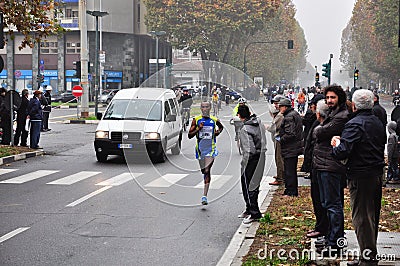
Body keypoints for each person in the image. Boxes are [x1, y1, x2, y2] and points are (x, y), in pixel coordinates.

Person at [332, 89, 386, 266]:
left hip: (360, 175)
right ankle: (368, 253)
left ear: (354, 105)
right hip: (376, 173)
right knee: (372, 216)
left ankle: (367, 259)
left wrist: (337, 144)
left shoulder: (354, 124)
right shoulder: (377, 122)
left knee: (361, 218)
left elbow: (342, 152)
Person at [313, 85, 349, 255]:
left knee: (333, 205)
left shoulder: (341, 116)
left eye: (332, 98)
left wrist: (318, 129)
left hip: (330, 165)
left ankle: (335, 242)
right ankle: (330, 237)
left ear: (339, 98)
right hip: (323, 164)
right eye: (327, 98)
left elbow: (320, 133)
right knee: (327, 203)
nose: (329, 101)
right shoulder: (333, 114)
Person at [188, 101, 224, 205]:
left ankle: (204, 196)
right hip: (200, 150)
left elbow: (221, 127)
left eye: (207, 107)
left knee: (207, 170)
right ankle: (204, 175)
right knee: (203, 170)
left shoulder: (214, 120)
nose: (205, 109)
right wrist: (198, 129)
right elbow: (190, 135)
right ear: (200, 108)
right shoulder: (196, 120)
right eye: (203, 107)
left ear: (210, 108)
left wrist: (217, 132)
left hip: (211, 149)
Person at [237, 104, 267, 224]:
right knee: (254, 184)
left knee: (248, 185)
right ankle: (249, 209)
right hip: (262, 155)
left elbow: (249, 150)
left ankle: (254, 212)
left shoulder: (245, 129)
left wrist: (244, 163)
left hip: (252, 159)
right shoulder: (258, 122)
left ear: (240, 116)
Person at [305, 99, 329, 240]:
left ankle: (322, 228)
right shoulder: (320, 124)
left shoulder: (324, 127)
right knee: (319, 199)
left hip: (321, 166)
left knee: (322, 200)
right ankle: (321, 226)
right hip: (317, 165)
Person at [277, 98, 303, 197]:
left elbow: (290, 133)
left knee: (289, 171)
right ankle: (290, 190)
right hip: (294, 147)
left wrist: (280, 139)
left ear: (285, 107)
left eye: (280, 106)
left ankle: (291, 191)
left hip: (290, 148)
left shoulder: (288, 117)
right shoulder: (294, 114)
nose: (279, 108)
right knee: (291, 170)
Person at [265, 95, 285, 186]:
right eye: (275, 103)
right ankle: (280, 175)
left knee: (279, 159)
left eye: (277, 103)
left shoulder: (280, 116)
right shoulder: (280, 114)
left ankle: (280, 178)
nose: (275, 105)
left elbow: (273, 128)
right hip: (279, 139)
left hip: (279, 139)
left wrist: (266, 127)